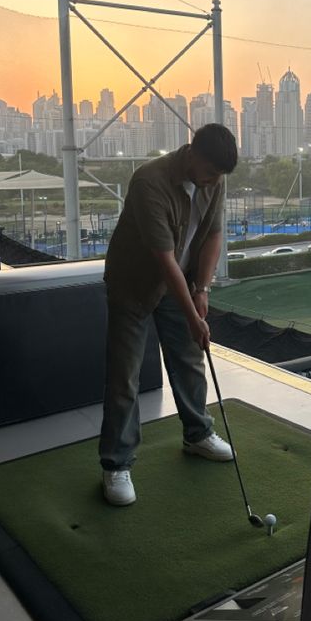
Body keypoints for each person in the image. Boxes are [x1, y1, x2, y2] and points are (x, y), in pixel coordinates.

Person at [99, 123, 238, 506]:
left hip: (182, 279)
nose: (213, 183)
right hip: (134, 284)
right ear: (192, 154)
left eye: (219, 177)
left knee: (189, 361)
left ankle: (197, 435)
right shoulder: (150, 182)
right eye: (210, 173)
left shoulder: (215, 179)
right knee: (124, 375)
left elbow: (212, 234)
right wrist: (194, 316)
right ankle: (116, 463)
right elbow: (164, 261)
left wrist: (203, 289)